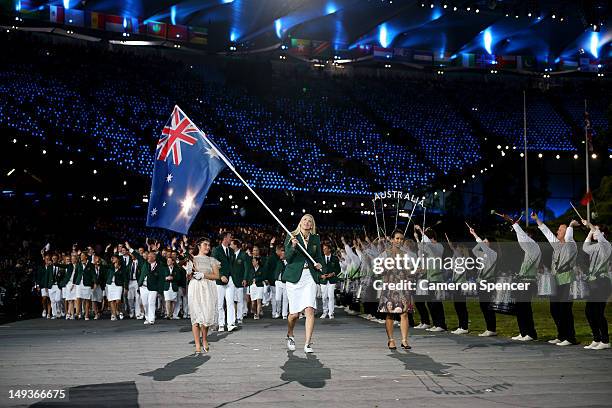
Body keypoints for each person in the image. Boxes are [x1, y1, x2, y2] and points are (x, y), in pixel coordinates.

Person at [532, 213, 578, 346]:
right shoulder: (557, 245)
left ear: (567, 232)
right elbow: (547, 233)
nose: (557, 231)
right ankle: (561, 335)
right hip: (556, 282)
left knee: (565, 310)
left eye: (560, 229)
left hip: (567, 281)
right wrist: (537, 220)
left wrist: (569, 226)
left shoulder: (571, 244)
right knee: (555, 309)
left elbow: (569, 236)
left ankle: (570, 338)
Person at [284, 214, 325, 354]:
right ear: (300, 223)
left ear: (312, 225)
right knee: (294, 314)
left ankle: (307, 343)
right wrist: (293, 246)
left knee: (309, 309)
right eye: (304, 220)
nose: (307, 222)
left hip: (309, 276)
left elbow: (319, 257)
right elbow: (288, 258)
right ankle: (290, 334)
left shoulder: (315, 239)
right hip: (294, 277)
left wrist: (320, 266)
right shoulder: (291, 236)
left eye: (310, 221)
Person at [505, 215, 540, 341]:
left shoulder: (534, 247)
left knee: (525, 308)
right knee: (520, 307)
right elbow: (521, 238)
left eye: (526, 235)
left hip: (528, 281)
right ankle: (524, 332)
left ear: (530, 236)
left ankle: (530, 333)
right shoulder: (529, 249)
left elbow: (522, 238)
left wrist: (515, 224)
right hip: (523, 281)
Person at [378, 230, 412, 350]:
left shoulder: (406, 254)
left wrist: (416, 270)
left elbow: (409, 272)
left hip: (403, 286)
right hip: (390, 287)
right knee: (390, 314)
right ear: (392, 240)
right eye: (397, 238)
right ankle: (391, 340)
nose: (399, 241)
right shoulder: (384, 254)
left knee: (404, 313)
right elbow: (379, 272)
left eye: (401, 239)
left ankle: (404, 340)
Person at [582, 220, 612, 350]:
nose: (594, 232)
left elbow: (599, 236)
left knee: (598, 312)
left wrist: (590, 224)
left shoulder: (606, 245)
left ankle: (605, 341)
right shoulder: (595, 247)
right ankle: (596, 338)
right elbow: (585, 247)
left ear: (603, 233)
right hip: (595, 283)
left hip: (602, 282)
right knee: (589, 311)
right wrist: (589, 231)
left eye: (596, 230)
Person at [189, 238, 220, 354]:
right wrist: (189, 271)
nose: (208, 247)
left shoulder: (212, 260)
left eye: (209, 245)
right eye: (205, 245)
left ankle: (205, 339)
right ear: (199, 246)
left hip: (207, 288)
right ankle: (197, 344)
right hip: (195, 288)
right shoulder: (193, 259)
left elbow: (216, 275)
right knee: (196, 316)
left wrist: (203, 275)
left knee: (206, 316)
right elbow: (188, 276)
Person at [415, 225, 446, 332]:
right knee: (431, 302)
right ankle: (436, 323)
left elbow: (428, 245)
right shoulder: (430, 248)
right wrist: (418, 238)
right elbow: (421, 249)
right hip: (430, 278)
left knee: (436, 302)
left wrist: (420, 231)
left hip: (437, 278)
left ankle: (441, 324)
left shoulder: (438, 246)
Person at [469, 226, 498, 337]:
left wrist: (475, 235)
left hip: (488, 282)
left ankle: (491, 329)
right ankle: (489, 328)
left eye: (487, 242)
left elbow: (482, 246)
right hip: (481, 282)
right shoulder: (484, 254)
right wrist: (481, 241)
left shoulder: (493, 254)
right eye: (484, 242)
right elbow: (474, 250)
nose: (484, 244)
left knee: (487, 305)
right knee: (483, 305)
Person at [128, 241, 165, 325]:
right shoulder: (144, 263)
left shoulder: (159, 266)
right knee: (145, 303)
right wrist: (129, 248)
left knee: (151, 302)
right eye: (148, 256)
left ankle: (151, 318)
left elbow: (160, 279)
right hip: (143, 287)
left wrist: (160, 290)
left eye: (150, 256)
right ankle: (147, 317)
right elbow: (137, 255)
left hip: (153, 287)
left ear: (154, 258)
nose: (148, 257)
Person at [212, 232, 237, 332]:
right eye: (230, 237)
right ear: (225, 238)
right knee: (220, 303)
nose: (231, 239)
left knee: (230, 302)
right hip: (219, 280)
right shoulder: (216, 250)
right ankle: (221, 324)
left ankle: (230, 323)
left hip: (230, 279)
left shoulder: (231, 251)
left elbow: (232, 264)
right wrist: (221, 275)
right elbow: (214, 264)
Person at [102, 253, 126, 321]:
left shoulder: (122, 267)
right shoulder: (110, 266)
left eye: (114, 258)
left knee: (118, 300)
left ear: (118, 259)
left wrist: (126, 287)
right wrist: (106, 252)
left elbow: (124, 277)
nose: (113, 259)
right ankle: (114, 314)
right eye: (112, 258)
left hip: (118, 285)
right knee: (112, 300)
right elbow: (104, 263)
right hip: (110, 285)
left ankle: (118, 310)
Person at [230, 239, 249, 324]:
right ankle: (233, 316)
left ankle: (239, 317)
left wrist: (245, 279)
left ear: (235, 245)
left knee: (240, 300)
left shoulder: (243, 254)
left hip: (240, 280)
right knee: (232, 300)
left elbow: (246, 268)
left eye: (231, 244)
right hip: (231, 281)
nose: (230, 246)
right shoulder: (230, 254)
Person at [319, 242, 339, 319]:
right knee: (324, 297)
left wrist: (333, 273)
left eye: (325, 249)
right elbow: (318, 269)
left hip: (332, 280)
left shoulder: (335, 258)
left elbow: (338, 269)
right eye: (323, 249)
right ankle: (325, 311)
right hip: (323, 280)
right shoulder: (321, 258)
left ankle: (331, 313)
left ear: (329, 249)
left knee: (331, 296)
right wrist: (321, 275)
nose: (324, 250)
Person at [74, 252, 96, 320]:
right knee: (78, 298)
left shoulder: (91, 265)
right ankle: (77, 314)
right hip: (79, 283)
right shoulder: (78, 264)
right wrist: (74, 283)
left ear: (86, 257)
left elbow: (93, 274)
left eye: (83, 255)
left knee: (87, 300)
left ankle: (86, 315)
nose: (81, 257)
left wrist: (95, 283)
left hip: (87, 284)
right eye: (81, 256)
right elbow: (76, 274)